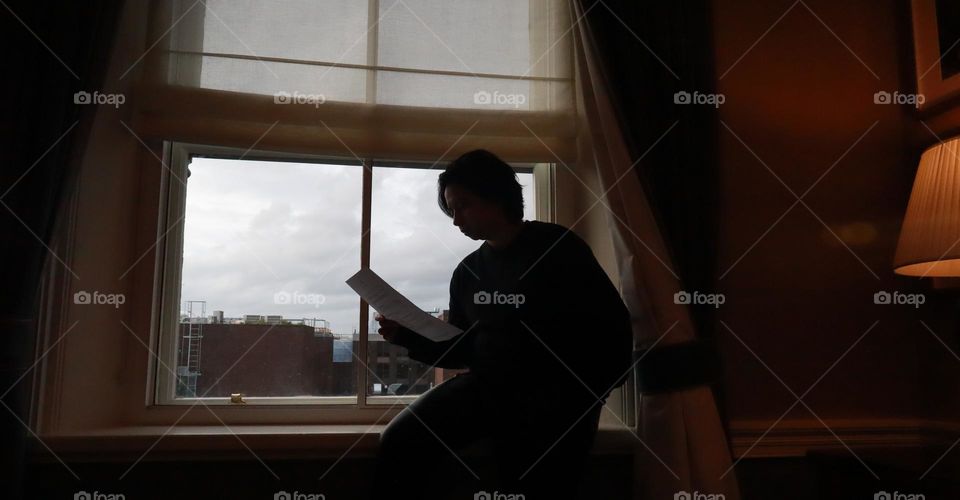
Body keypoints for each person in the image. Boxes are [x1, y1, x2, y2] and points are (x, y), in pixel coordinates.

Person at [370, 149, 633, 500]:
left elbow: (612, 329)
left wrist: (586, 396)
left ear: (496, 197)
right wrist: (405, 335)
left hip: (557, 398)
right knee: (399, 439)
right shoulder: (467, 272)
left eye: (463, 206)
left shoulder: (557, 248)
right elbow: (460, 349)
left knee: (530, 479)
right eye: (451, 210)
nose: (456, 221)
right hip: (487, 389)